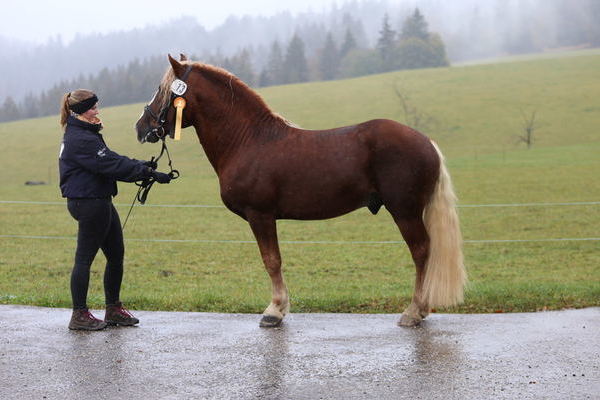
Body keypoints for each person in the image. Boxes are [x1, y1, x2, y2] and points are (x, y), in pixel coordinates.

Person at [58, 89, 171, 331]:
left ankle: (113, 309)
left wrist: (141, 165)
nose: (97, 110)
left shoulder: (85, 132)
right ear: (79, 110)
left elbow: (109, 158)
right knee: (84, 259)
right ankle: (79, 315)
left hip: (99, 200)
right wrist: (148, 173)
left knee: (116, 255)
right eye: (92, 107)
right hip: (88, 202)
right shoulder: (80, 138)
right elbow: (109, 164)